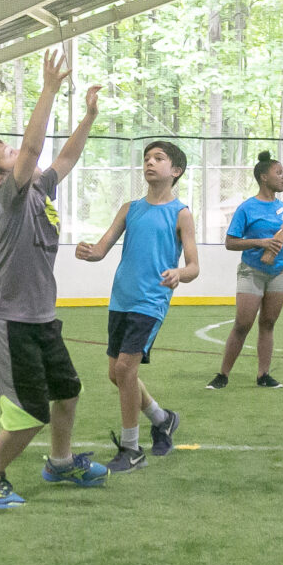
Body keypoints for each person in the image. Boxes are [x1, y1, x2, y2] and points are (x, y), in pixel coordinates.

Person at [0, 49, 109, 508]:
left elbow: (63, 156)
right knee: (28, 413)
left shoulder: (40, 189)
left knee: (68, 390)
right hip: (7, 321)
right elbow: (39, 149)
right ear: (1, 179)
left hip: (41, 319)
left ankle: (60, 463)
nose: (22, 152)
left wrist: (88, 117)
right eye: (11, 154)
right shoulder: (12, 200)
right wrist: (48, 90)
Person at [75, 141, 198, 473]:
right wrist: (88, 252)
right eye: (147, 158)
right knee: (116, 375)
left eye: (159, 158)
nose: (150, 162)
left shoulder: (181, 213)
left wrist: (179, 273)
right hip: (121, 299)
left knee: (126, 371)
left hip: (150, 302)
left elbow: (194, 266)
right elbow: (102, 249)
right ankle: (163, 418)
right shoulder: (130, 208)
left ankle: (131, 449)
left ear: (176, 171)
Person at [209, 150, 283, 390]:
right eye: (278, 173)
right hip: (252, 271)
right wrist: (260, 243)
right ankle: (223, 375)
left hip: (280, 271)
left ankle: (263, 375)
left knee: (268, 323)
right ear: (263, 177)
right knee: (243, 324)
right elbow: (230, 242)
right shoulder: (247, 208)